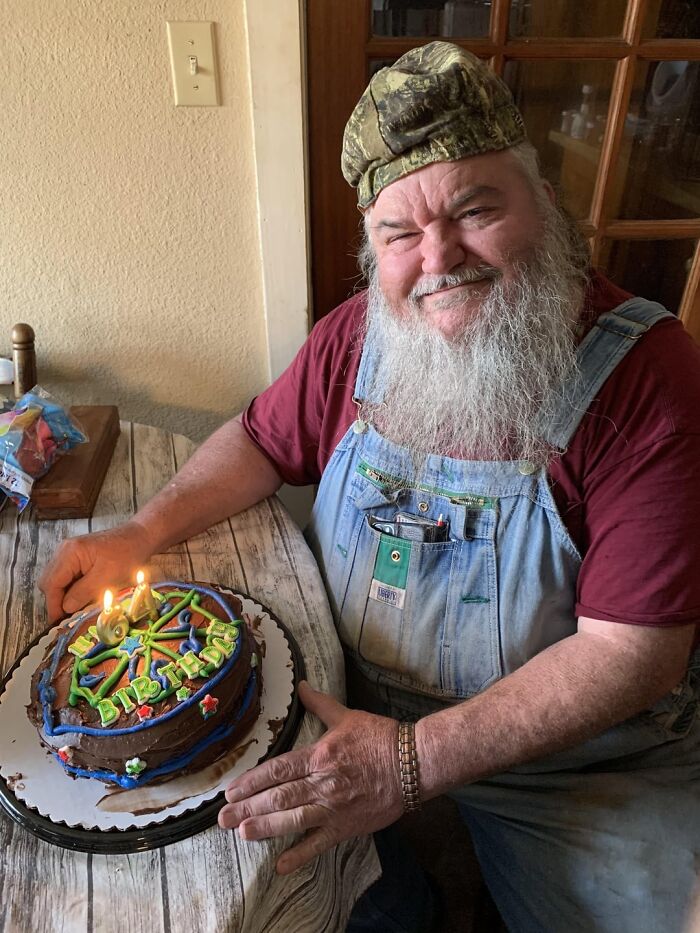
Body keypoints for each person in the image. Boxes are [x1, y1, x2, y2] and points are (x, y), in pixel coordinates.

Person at [40, 43, 700, 932]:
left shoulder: (648, 372)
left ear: (540, 203)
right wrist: (140, 532)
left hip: (576, 768)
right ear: (372, 244)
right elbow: (258, 441)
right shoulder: (357, 333)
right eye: (400, 233)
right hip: (342, 710)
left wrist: (412, 763)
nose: (440, 258)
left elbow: (632, 654)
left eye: (475, 209)